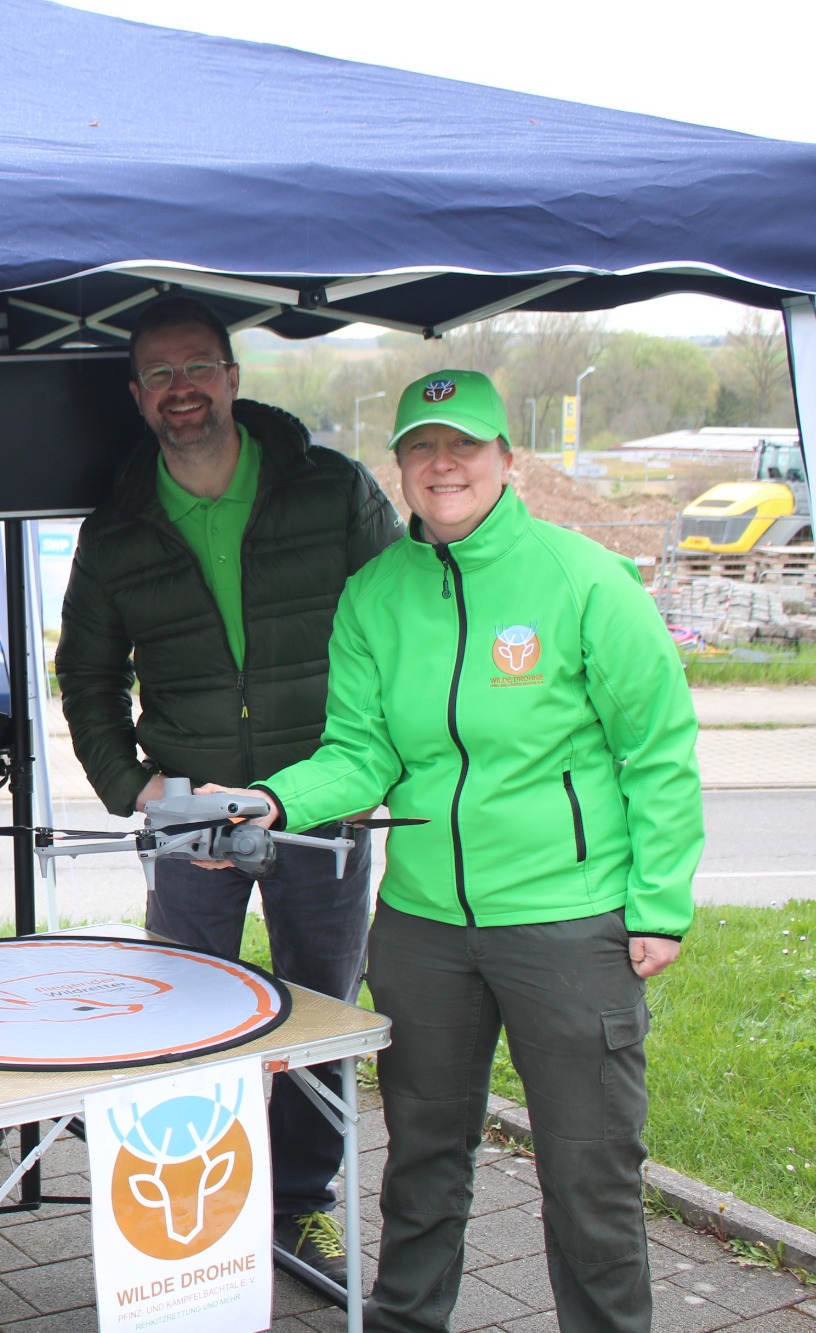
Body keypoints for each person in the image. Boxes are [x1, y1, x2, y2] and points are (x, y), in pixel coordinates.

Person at [237, 369, 701, 1333]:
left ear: (506, 458)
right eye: (421, 447)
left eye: (464, 444)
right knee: (421, 1155)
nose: (442, 463)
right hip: (422, 928)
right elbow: (360, 753)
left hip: (569, 924)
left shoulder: (584, 579)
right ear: (400, 466)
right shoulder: (375, 593)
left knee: (591, 1168)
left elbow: (656, 746)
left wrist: (657, 901)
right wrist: (272, 798)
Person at [54, 295, 402, 1284]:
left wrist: (362, 759)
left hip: (319, 805)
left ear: (232, 376)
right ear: (134, 395)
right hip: (187, 818)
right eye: (159, 375)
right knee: (185, 1014)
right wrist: (140, 790)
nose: (181, 389)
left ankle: (298, 1205)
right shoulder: (115, 528)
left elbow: (396, 631)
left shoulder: (329, 490)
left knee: (315, 1010)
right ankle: (194, 1219)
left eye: (197, 366)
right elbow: (84, 679)